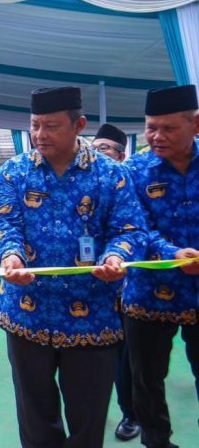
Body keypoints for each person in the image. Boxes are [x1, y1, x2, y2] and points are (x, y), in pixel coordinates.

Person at [0, 86, 146, 448]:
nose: (40, 135)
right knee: (35, 419)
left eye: (51, 126)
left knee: (88, 420)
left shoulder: (110, 175)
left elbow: (129, 228)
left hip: (92, 317)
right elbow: (4, 222)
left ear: (79, 125)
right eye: (35, 125)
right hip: (27, 314)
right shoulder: (14, 172)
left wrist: (116, 256)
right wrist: (11, 255)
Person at [123, 84, 199, 448]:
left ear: (196, 124)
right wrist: (171, 254)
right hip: (149, 295)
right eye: (151, 127)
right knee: (147, 379)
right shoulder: (135, 170)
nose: (156, 136)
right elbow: (132, 227)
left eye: (168, 128)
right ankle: (157, 442)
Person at [91, 123, 140, 442]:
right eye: (94, 148)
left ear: (122, 155)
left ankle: (131, 413)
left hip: (130, 286)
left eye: (105, 148)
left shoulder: (133, 182)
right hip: (93, 285)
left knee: (126, 356)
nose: (97, 154)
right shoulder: (90, 182)